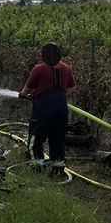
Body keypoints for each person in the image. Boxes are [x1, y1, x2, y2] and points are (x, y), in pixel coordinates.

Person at [18, 43, 76, 175]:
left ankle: (37, 168)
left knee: (36, 137)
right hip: (61, 107)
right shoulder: (67, 68)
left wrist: (23, 95)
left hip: (43, 107)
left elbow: (27, 89)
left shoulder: (39, 69)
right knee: (58, 138)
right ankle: (57, 169)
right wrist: (59, 96)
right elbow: (72, 87)